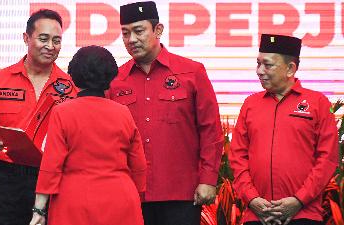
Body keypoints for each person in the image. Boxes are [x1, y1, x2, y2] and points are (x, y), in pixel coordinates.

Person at [108, 1, 224, 225]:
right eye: (125, 33)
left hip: (181, 193)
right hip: (131, 193)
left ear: (158, 30)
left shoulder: (192, 72)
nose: (131, 40)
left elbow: (210, 130)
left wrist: (208, 179)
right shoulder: (115, 80)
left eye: (139, 31)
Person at [0, 9, 78, 225]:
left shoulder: (71, 87)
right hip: (8, 180)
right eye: (43, 38)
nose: (50, 46)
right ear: (26, 38)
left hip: (56, 178)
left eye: (57, 40)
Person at [29, 45, 147, 225]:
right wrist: (136, 194)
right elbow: (138, 163)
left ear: (74, 76)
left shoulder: (63, 112)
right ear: (110, 76)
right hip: (120, 200)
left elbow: (52, 165)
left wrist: (39, 209)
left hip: (74, 201)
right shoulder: (123, 112)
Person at [230, 34, 339, 225]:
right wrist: (253, 199)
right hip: (257, 215)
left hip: (304, 215)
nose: (259, 71)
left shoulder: (318, 103)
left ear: (290, 69)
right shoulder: (250, 104)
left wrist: (299, 200)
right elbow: (238, 156)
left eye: (268, 65)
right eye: (258, 64)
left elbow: (327, 158)